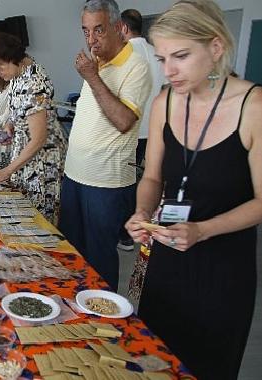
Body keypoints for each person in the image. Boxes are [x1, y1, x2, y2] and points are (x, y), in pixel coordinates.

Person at [125, 1, 262, 378]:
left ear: (215, 48)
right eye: (162, 58)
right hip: (167, 258)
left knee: (208, 364)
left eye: (181, 56)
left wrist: (203, 229)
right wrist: (141, 212)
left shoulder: (253, 105)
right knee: (157, 359)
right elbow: (152, 177)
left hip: (223, 265)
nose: (168, 71)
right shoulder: (165, 101)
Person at [58, 0, 151, 291]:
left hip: (106, 182)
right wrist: (93, 74)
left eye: (99, 30)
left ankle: (103, 325)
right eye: (85, 31)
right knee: (70, 256)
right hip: (75, 175)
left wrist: (92, 77)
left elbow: (123, 120)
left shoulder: (136, 65)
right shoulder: (96, 63)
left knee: (98, 262)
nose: (91, 39)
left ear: (118, 27)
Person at [0, 33, 67, 224]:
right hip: (25, 155)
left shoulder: (34, 83)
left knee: (36, 221)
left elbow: (38, 139)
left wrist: (7, 171)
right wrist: (11, 124)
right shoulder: (19, 73)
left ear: (12, 57)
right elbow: (20, 107)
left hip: (42, 163)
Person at [117, 8, 166, 252]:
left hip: (129, 129)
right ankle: (132, 234)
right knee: (142, 179)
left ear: (123, 28)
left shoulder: (126, 53)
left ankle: (125, 233)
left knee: (123, 182)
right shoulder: (156, 53)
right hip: (152, 131)